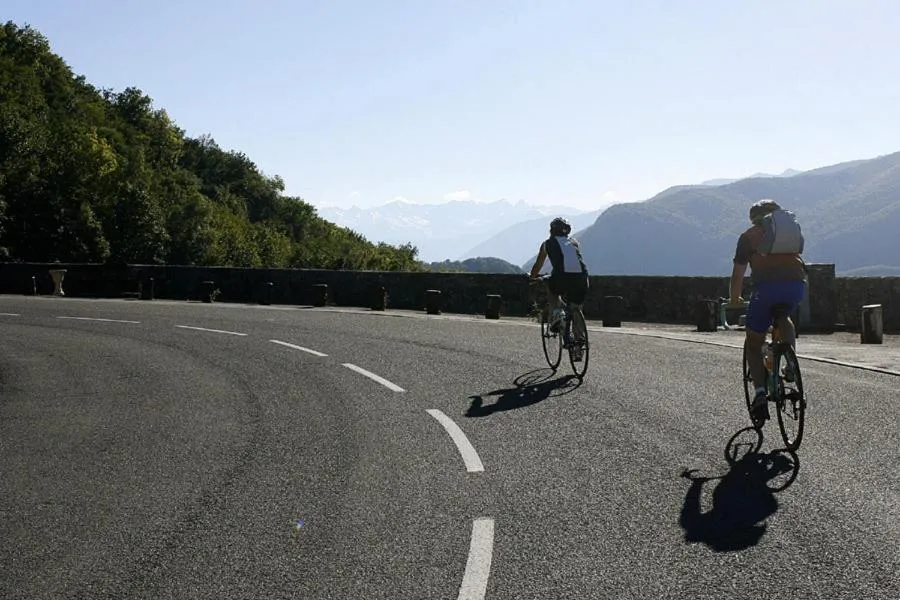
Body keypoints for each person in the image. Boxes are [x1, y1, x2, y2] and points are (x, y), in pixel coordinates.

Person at [730, 199, 807, 421]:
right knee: (784, 318)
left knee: (753, 343)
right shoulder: (786, 233)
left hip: (766, 289)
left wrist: (735, 300)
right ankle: (791, 364)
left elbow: (738, 275)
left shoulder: (748, 237)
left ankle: (760, 394)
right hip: (796, 285)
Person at [529, 217, 590, 360]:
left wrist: (532, 277)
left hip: (561, 277)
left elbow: (538, 264)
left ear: (551, 230)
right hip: (582, 278)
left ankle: (556, 313)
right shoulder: (574, 242)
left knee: (551, 287)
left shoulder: (547, 244)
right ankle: (579, 343)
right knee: (576, 309)